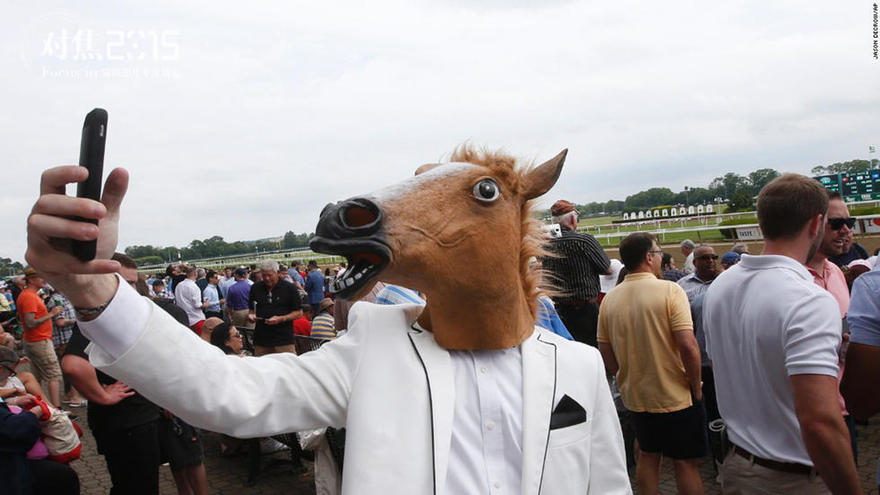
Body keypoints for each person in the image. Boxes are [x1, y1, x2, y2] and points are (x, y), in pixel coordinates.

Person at [27, 157, 630, 494]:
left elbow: (606, 486)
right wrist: (95, 293)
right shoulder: (374, 346)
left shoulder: (576, 366)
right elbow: (230, 392)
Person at [704, 173, 861, 493]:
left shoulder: (721, 285)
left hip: (739, 465)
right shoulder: (810, 299)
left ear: (762, 224)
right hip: (795, 477)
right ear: (816, 224)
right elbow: (820, 423)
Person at [598, 232, 704, 495]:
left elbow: (605, 349)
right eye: (657, 253)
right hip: (676, 394)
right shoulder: (670, 290)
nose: (659, 258)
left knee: (647, 455)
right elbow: (688, 346)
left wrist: (623, 375)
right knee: (685, 462)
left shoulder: (610, 298)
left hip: (636, 395)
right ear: (648, 257)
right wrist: (696, 386)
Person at [541, 199, 611, 347]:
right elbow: (607, 269)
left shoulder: (545, 245)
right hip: (587, 310)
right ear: (573, 218)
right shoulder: (584, 240)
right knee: (593, 350)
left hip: (559, 311)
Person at [16, 268, 64, 407]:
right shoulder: (29, 297)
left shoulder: (29, 295)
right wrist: (51, 314)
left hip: (34, 340)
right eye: (41, 276)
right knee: (53, 375)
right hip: (39, 341)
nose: (45, 279)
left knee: (37, 376)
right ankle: (57, 408)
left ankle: (40, 405)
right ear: (31, 280)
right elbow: (30, 322)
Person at [248, 260, 303, 356]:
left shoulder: (289, 288)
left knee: (287, 363)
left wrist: (282, 318)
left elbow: (299, 312)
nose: (267, 278)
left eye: (270, 275)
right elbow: (251, 309)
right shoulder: (255, 288)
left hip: (283, 340)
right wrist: (251, 315)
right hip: (261, 339)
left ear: (277, 273)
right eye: (264, 275)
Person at [174, 266, 209, 335]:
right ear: (195, 274)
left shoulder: (179, 285)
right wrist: (206, 304)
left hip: (184, 319)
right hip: (196, 319)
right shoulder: (194, 287)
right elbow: (197, 305)